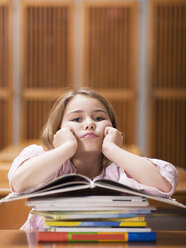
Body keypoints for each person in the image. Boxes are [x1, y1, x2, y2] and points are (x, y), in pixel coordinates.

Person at [8, 88, 178, 230]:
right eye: (76, 119)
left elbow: (164, 186)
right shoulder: (45, 162)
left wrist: (112, 149)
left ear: (112, 129)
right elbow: (19, 182)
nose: (89, 124)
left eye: (99, 118)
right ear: (59, 130)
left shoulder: (126, 168)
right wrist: (65, 148)